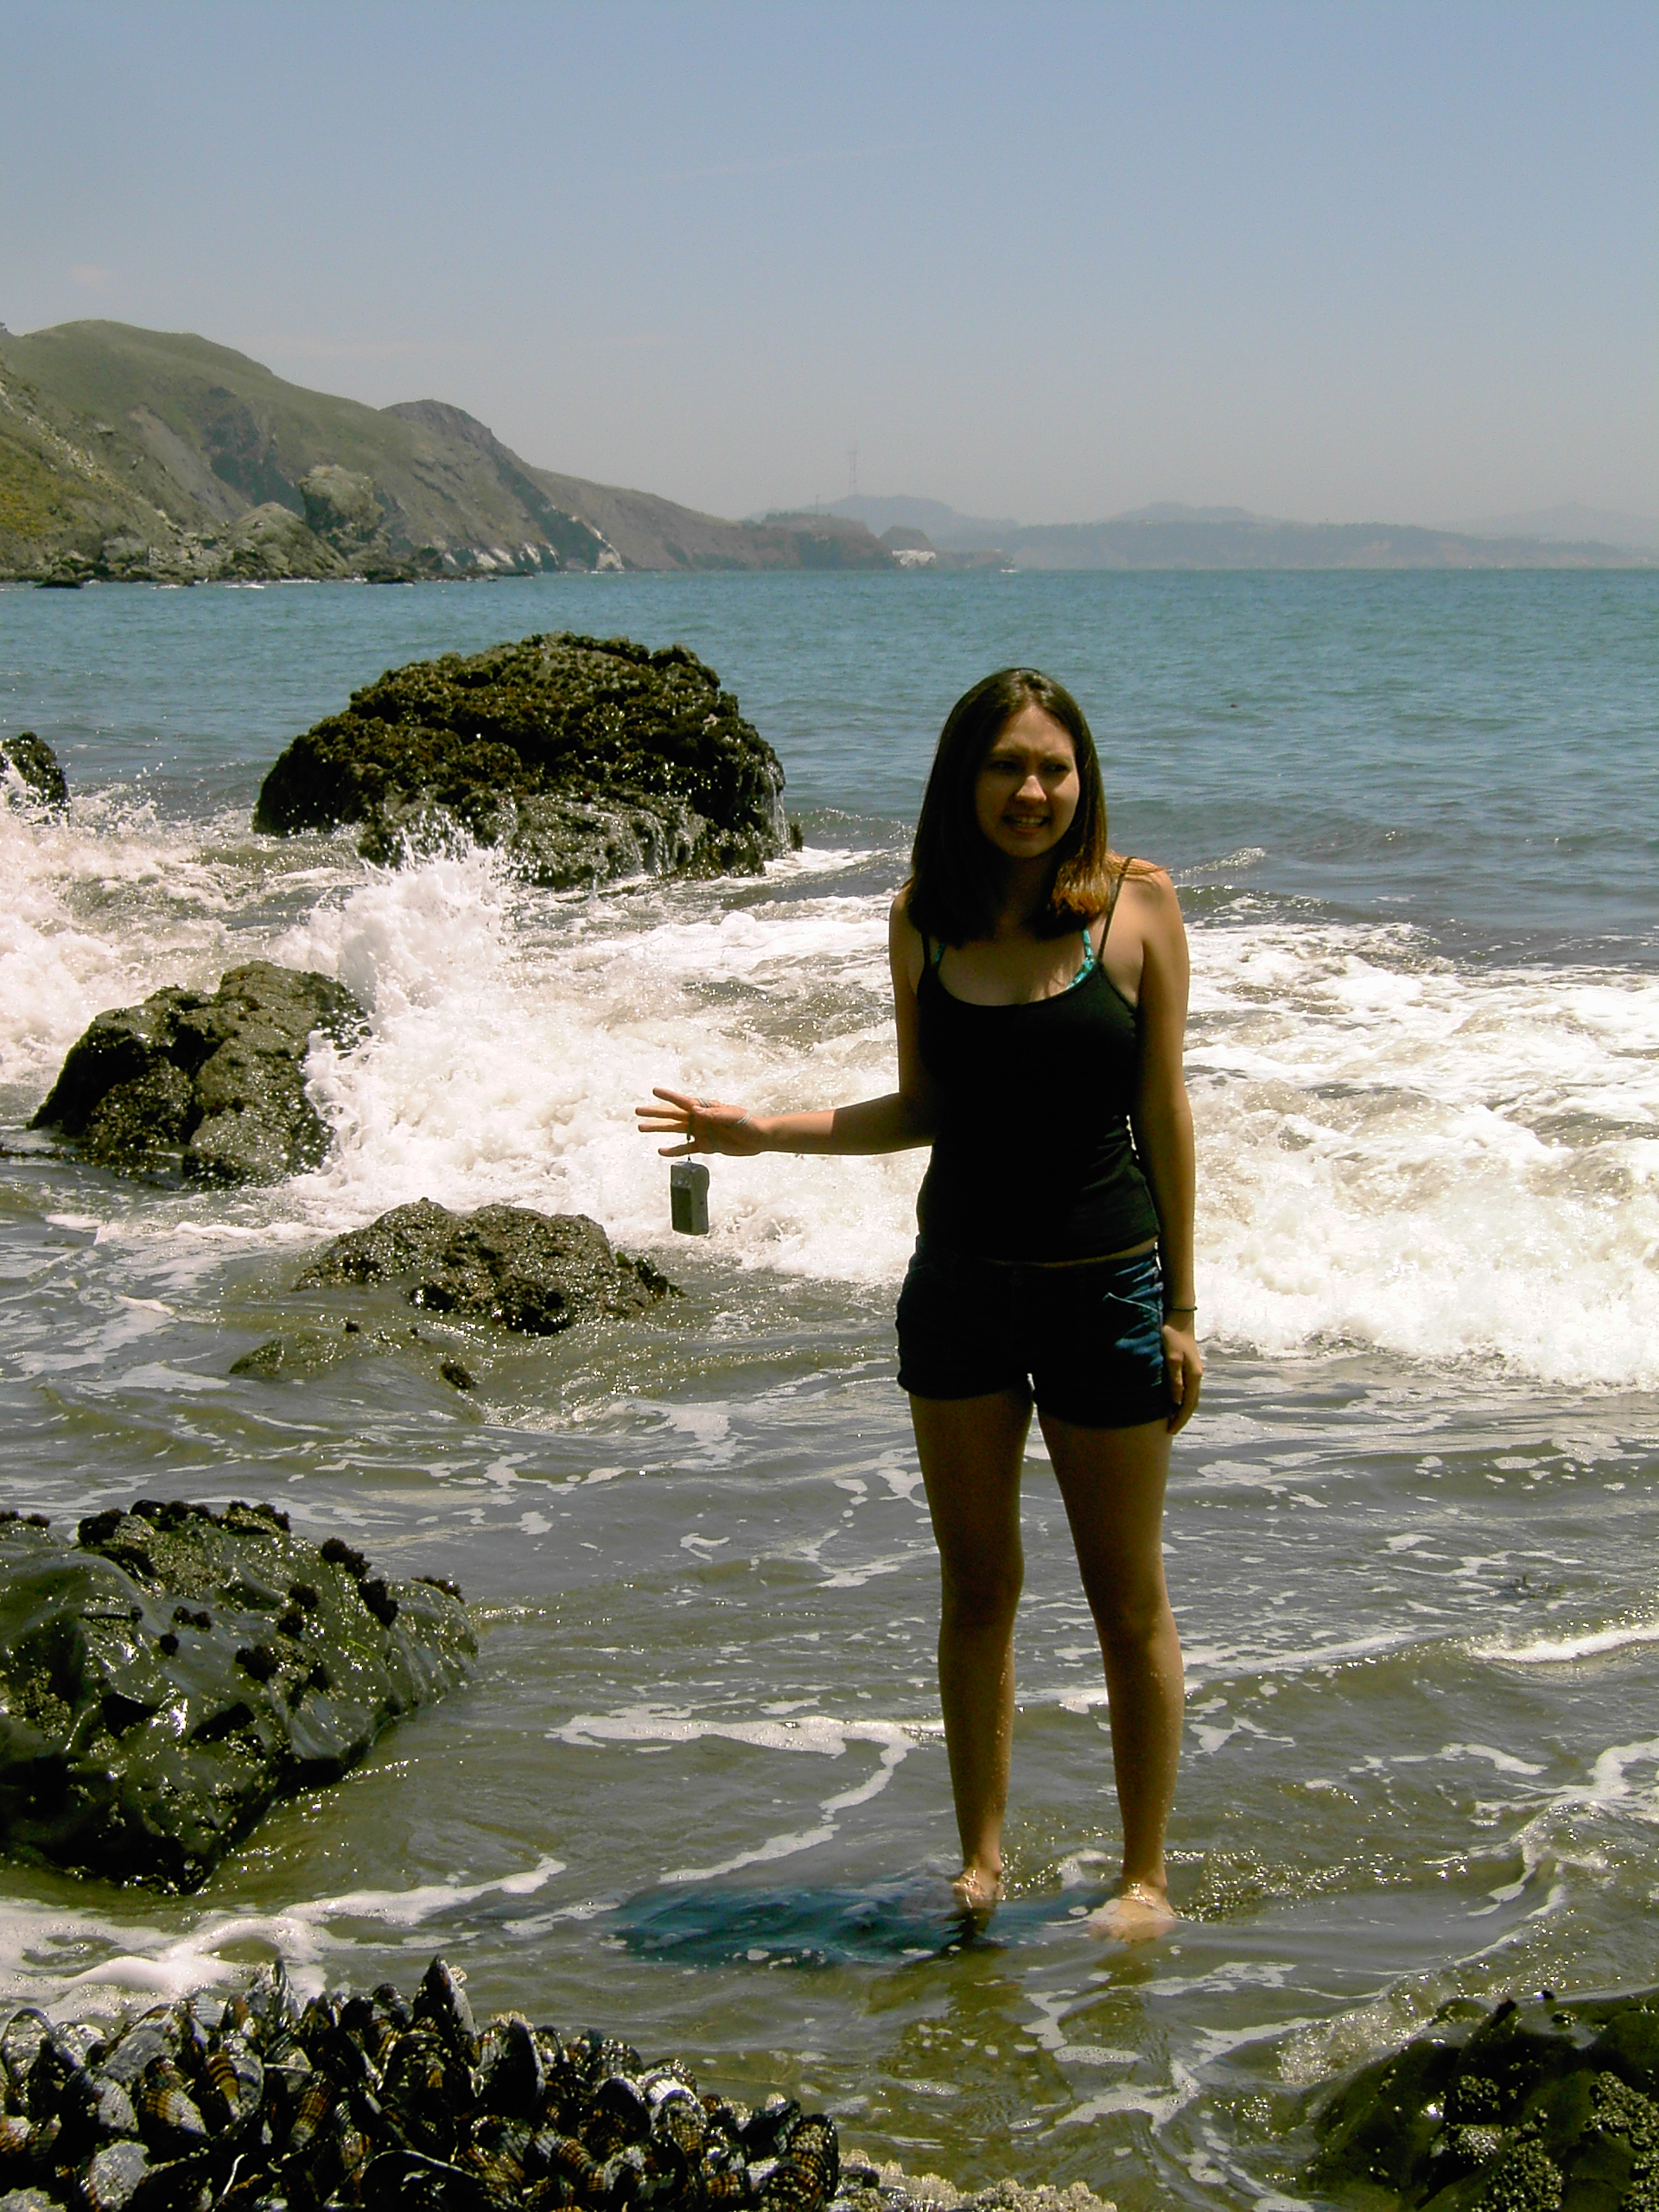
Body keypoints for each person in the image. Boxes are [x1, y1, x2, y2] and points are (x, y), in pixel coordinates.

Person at [636, 667, 1202, 1940]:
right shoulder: (922, 920)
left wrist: (1180, 1305)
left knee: (1127, 1599)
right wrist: (760, 1130)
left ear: (1084, 777)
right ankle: (981, 1866)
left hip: (1107, 1289)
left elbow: (1164, 1112)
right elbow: (923, 1108)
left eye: (1053, 767)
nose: (1032, 791)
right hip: (960, 1295)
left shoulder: (1139, 907)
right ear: (963, 779)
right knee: (977, 1590)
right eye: (1007, 767)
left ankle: (1144, 1878)